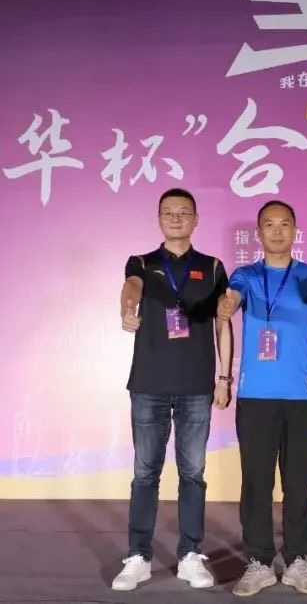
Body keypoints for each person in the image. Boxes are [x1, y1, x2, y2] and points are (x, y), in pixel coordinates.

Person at [111, 187, 234, 592]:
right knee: (144, 473)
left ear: (196, 219)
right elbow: (131, 286)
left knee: (193, 473)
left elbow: (222, 322)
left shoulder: (212, 267)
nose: (176, 218)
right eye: (169, 212)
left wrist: (224, 378)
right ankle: (139, 556)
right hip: (148, 384)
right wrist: (127, 308)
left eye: (184, 212)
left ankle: (190, 555)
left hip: (196, 386)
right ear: (159, 219)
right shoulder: (143, 262)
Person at [217, 200, 307, 597]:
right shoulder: (246, 275)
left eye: (285, 223)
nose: (278, 231)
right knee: (256, 482)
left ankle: (298, 559)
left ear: (295, 230)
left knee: (299, 482)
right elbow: (232, 298)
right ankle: (259, 562)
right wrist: (228, 303)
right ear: (259, 232)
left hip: (300, 397)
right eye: (269, 224)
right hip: (256, 396)